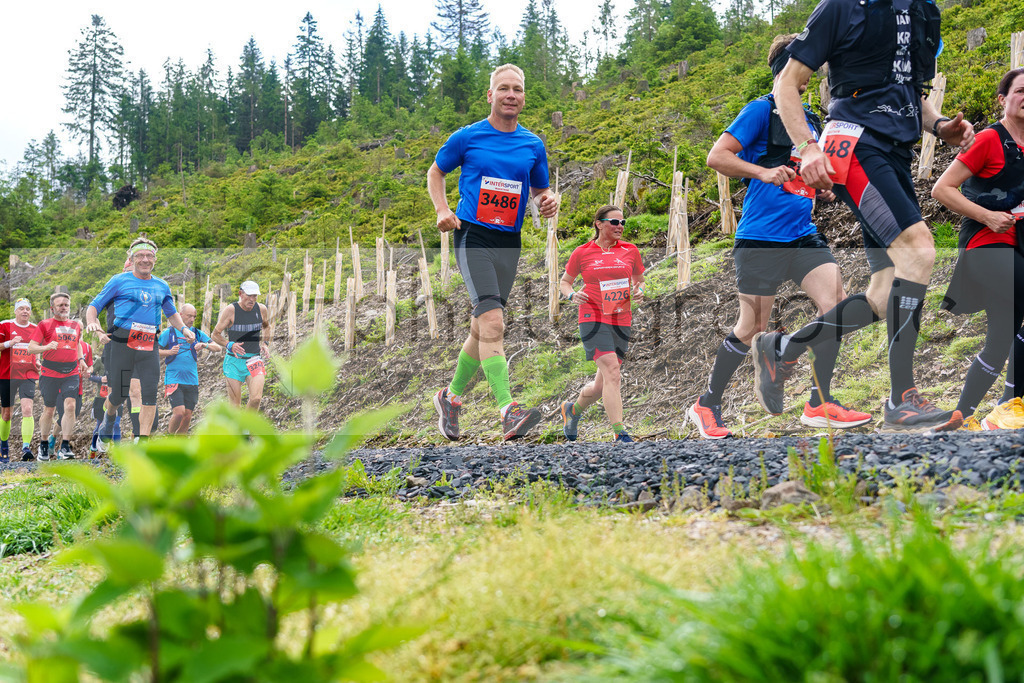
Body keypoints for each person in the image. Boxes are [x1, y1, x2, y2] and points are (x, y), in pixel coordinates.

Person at [766, 0, 975, 431]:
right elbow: (786, 82)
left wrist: (940, 126)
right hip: (857, 144)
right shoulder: (842, 8)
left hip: (896, 152)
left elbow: (911, 92)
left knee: (882, 294)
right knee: (918, 251)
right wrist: (808, 147)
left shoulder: (920, 11)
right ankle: (902, 401)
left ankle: (784, 348)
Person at [689, 34, 872, 439]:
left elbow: (808, 174)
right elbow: (717, 156)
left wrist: (822, 190)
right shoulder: (761, 109)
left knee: (837, 307)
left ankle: (819, 401)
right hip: (761, 238)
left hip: (803, 235)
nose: (812, 71)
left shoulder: (811, 120)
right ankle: (707, 404)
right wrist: (763, 172)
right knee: (752, 326)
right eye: (806, 63)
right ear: (786, 67)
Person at [428, 63, 559, 441]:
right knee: (494, 322)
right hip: (473, 236)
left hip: (509, 242)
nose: (510, 95)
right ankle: (507, 409)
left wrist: (547, 201)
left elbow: (540, 190)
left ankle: (451, 398)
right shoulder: (467, 137)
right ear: (490, 95)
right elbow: (435, 173)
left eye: (517, 89)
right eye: (503, 88)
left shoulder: (533, 145)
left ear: (524, 97)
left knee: (482, 325)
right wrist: (442, 209)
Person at [931, 68, 1024, 430]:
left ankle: (963, 416)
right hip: (986, 245)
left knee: (1000, 338)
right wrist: (987, 215)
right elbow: (942, 188)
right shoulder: (988, 139)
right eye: (1020, 91)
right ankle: (1009, 406)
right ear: (1003, 99)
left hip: (1018, 246)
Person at [86, 237, 193, 442]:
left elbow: (171, 313)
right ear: (132, 258)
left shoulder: (161, 285)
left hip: (148, 342)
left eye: (149, 256)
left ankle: (143, 442)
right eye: (140, 256)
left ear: (155, 259)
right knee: (118, 394)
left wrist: (184, 329)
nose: (145, 259)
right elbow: (94, 305)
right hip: (122, 342)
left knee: (150, 393)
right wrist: (93, 323)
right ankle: (109, 418)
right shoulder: (119, 281)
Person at [558, 206, 645, 442]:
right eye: (614, 222)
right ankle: (620, 433)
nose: (620, 226)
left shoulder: (630, 250)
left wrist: (640, 291)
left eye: (623, 222)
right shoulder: (582, 252)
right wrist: (571, 294)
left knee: (601, 385)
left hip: (621, 318)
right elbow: (565, 282)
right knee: (613, 372)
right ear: (599, 224)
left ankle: (572, 410)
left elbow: (639, 280)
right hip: (592, 317)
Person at [27, 293, 86, 460]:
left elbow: (77, 344)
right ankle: (44, 444)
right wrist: (46, 347)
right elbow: (31, 348)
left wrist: (81, 359)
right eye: (60, 305)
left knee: (70, 406)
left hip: (71, 371)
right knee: (49, 409)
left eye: (66, 305)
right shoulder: (44, 324)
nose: (64, 307)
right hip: (50, 372)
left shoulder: (76, 325)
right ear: (52, 308)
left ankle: (65, 446)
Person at [159, 303, 219, 434]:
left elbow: (218, 348)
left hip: (192, 380)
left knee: (187, 416)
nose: (192, 319)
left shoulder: (196, 333)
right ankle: (169, 438)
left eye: (194, 317)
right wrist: (169, 352)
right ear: (180, 315)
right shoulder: (169, 332)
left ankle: (180, 443)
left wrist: (204, 345)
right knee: (179, 413)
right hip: (174, 378)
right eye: (189, 316)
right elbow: (154, 352)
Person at [212, 281, 269, 410]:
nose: (252, 299)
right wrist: (229, 345)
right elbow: (215, 334)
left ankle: (247, 424)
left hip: (254, 359)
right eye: (249, 295)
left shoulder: (261, 309)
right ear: (240, 294)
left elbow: (266, 327)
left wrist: (265, 343)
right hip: (234, 361)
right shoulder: (231, 310)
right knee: (235, 406)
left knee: (256, 399)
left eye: (255, 296)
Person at [0, 298, 40, 461]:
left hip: (27, 374)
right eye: (21, 308)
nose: (25, 311)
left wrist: (38, 360)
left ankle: (26, 448)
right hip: (7, 374)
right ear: (15, 311)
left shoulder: (35, 328)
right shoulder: (5, 325)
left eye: (27, 309)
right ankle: (3, 445)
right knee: (6, 414)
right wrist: (10, 343)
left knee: (27, 409)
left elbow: (37, 348)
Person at [51, 336, 94, 452]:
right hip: (61, 387)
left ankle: (54, 437)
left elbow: (90, 365)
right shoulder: (62, 343)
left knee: (72, 416)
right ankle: (62, 447)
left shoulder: (87, 347)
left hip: (78, 388)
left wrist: (88, 371)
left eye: (81, 329)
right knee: (64, 415)